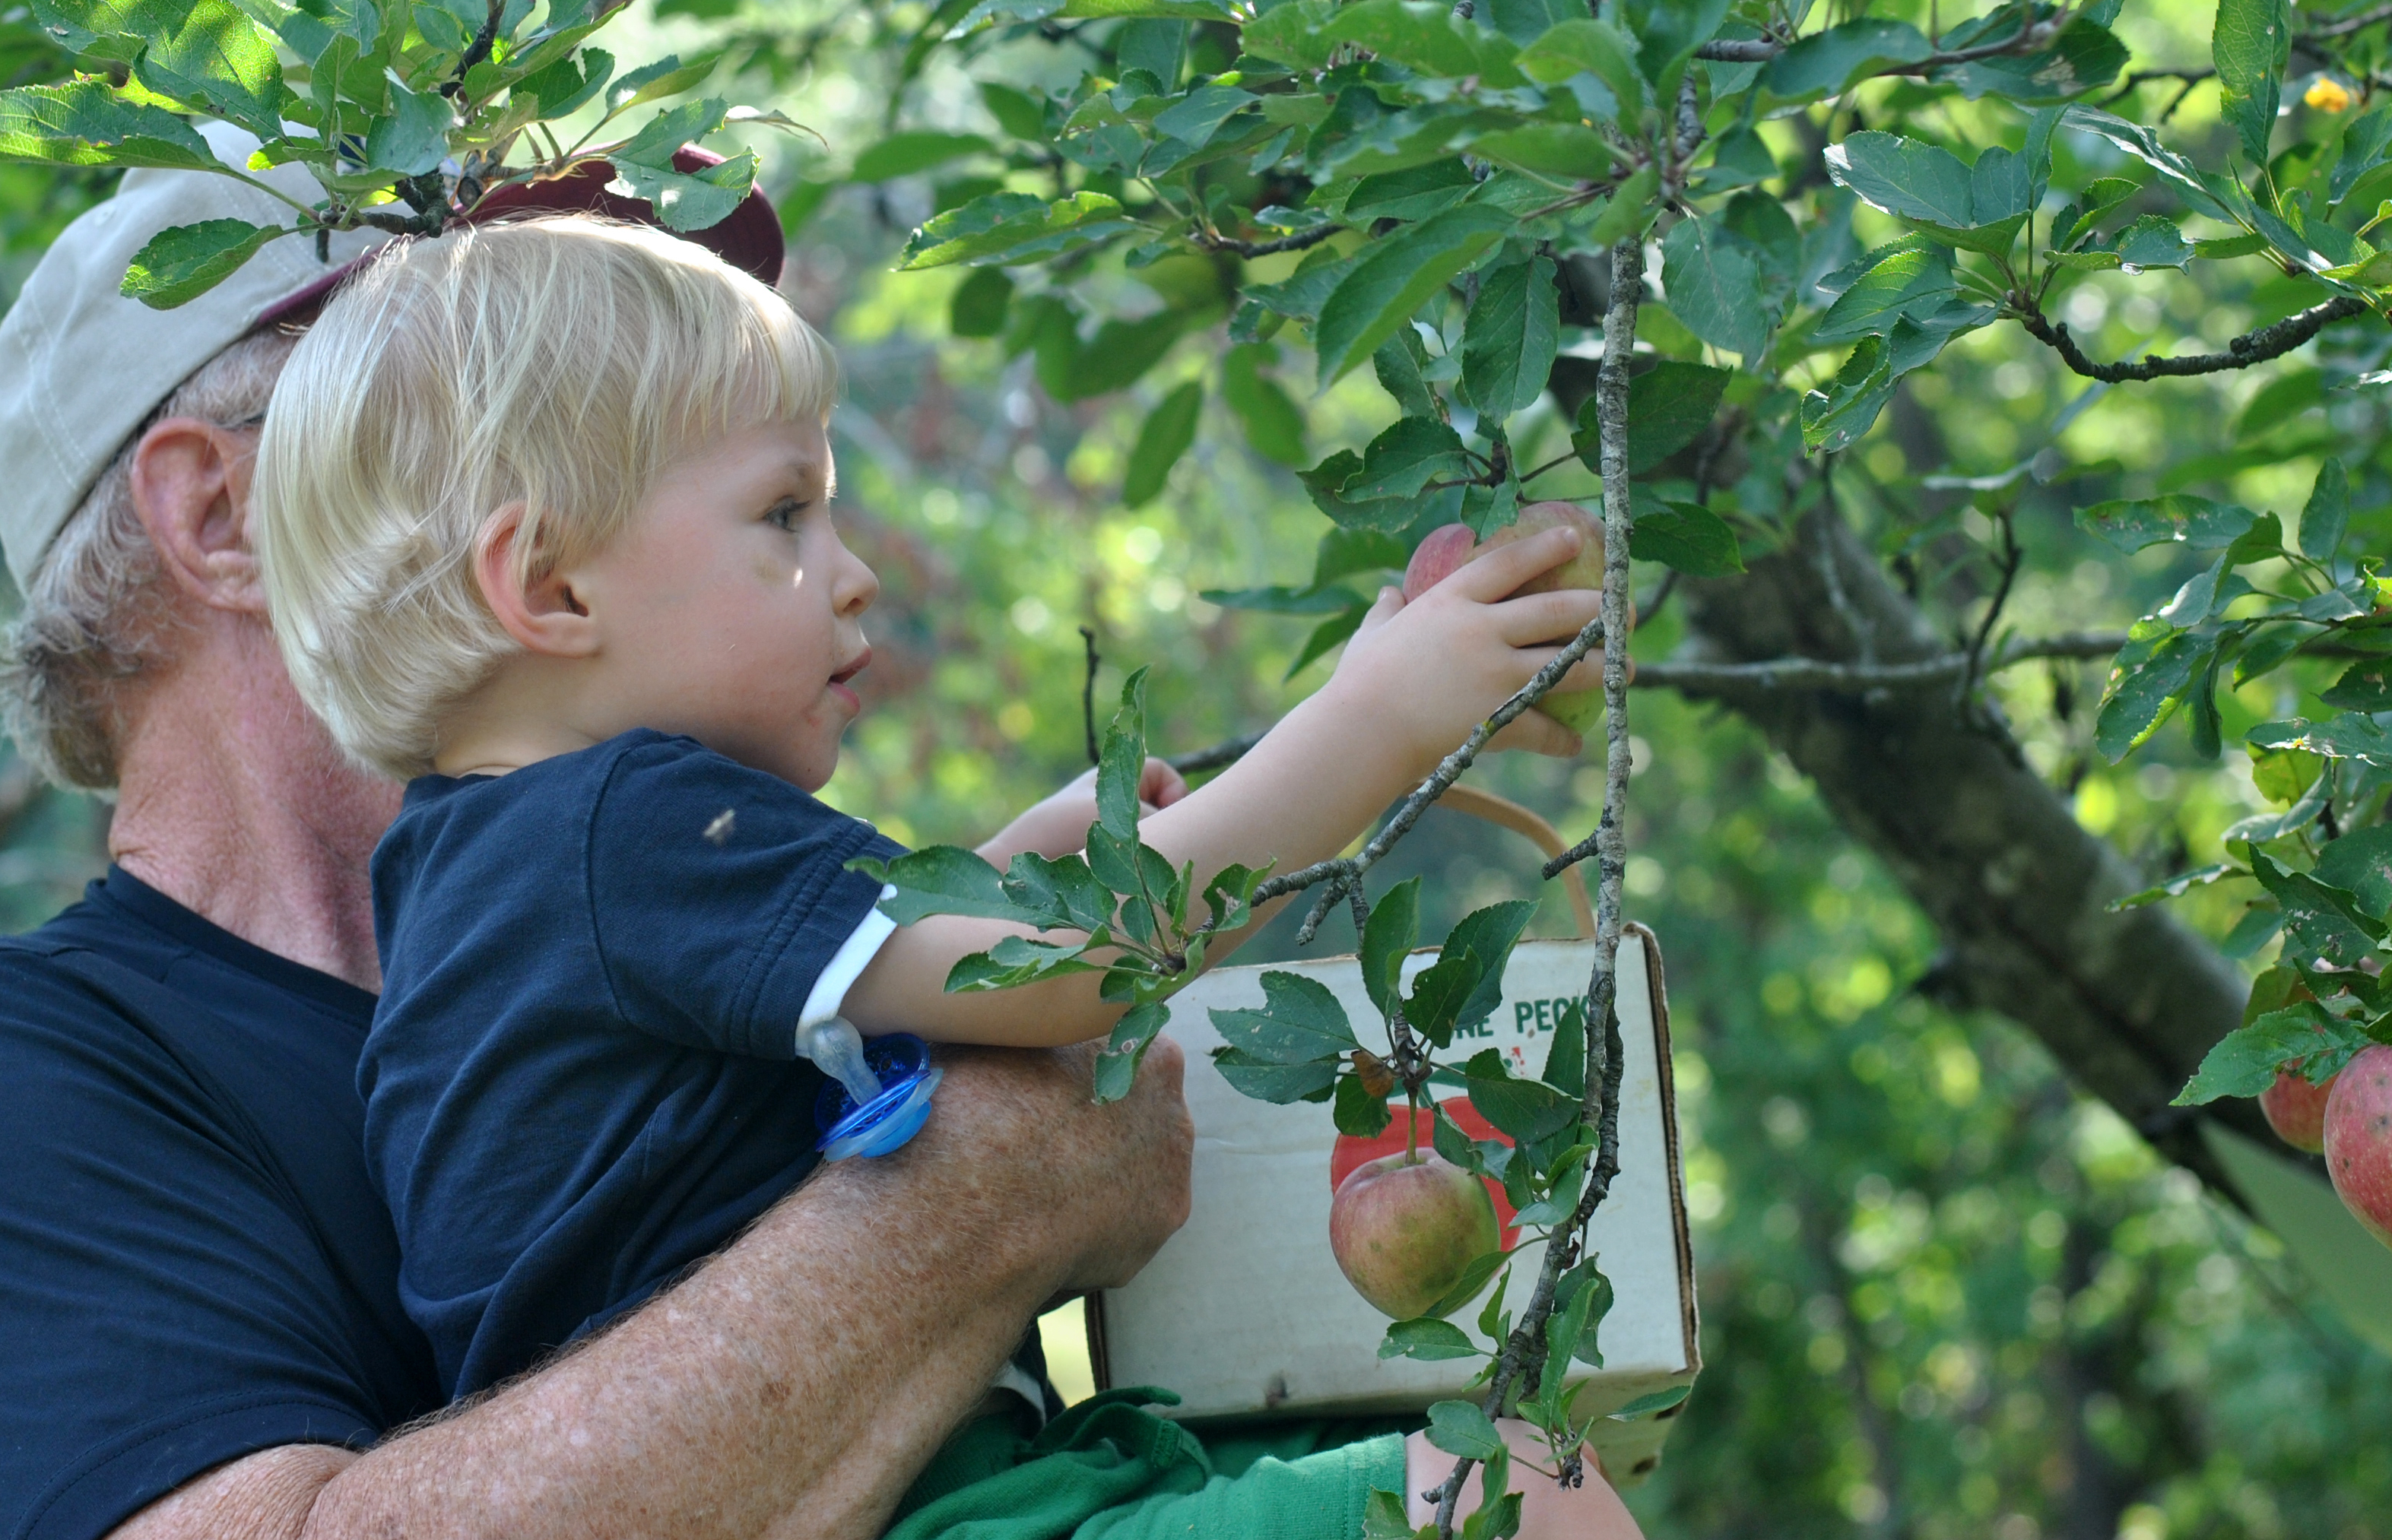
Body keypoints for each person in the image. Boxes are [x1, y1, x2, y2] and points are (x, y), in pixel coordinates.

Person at [0, 138, 1645, 1540]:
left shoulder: (608, 914)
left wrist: (1411, 709)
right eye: (478, 366)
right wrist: (967, 1197)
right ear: (220, 518)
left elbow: (969, 963)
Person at [244, 217, 1606, 1417]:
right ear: (550, 590)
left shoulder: (479, 868)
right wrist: (1380, 718)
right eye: (785, 513)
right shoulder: (628, 828)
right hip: (926, 1509)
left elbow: (841, 1026)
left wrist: (1014, 868)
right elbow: (1083, 975)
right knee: (1508, 1507)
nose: (852, 576)